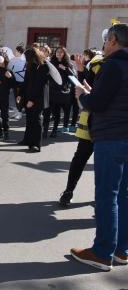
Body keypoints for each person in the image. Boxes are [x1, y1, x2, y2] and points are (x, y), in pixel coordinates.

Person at [71, 23, 128, 271]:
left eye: (106, 40)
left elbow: (99, 104)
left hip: (111, 137)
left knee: (107, 196)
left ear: (114, 40)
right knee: (123, 195)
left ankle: (102, 252)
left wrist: (82, 96)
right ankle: (121, 250)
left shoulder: (113, 65)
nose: (103, 44)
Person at [58, 53, 104, 207]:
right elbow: (86, 84)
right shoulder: (99, 63)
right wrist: (82, 70)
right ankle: (69, 191)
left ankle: (103, 197)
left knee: (105, 164)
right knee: (80, 159)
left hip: (109, 124)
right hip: (92, 121)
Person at [17, 47, 48, 152]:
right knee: (29, 120)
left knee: (36, 121)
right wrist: (20, 94)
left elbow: (38, 86)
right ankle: (27, 140)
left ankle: (36, 144)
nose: (25, 60)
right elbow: (25, 82)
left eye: (26, 57)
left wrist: (32, 100)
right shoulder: (31, 66)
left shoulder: (42, 67)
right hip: (28, 97)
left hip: (37, 99)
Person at [48, 47, 75, 137]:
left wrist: (64, 68)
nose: (59, 53)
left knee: (63, 110)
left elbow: (73, 75)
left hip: (63, 92)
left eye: (61, 52)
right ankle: (52, 129)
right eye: (57, 52)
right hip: (52, 91)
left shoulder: (68, 64)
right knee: (55, 112)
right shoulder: (51, 63)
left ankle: (60, 128)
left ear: (64, 54)